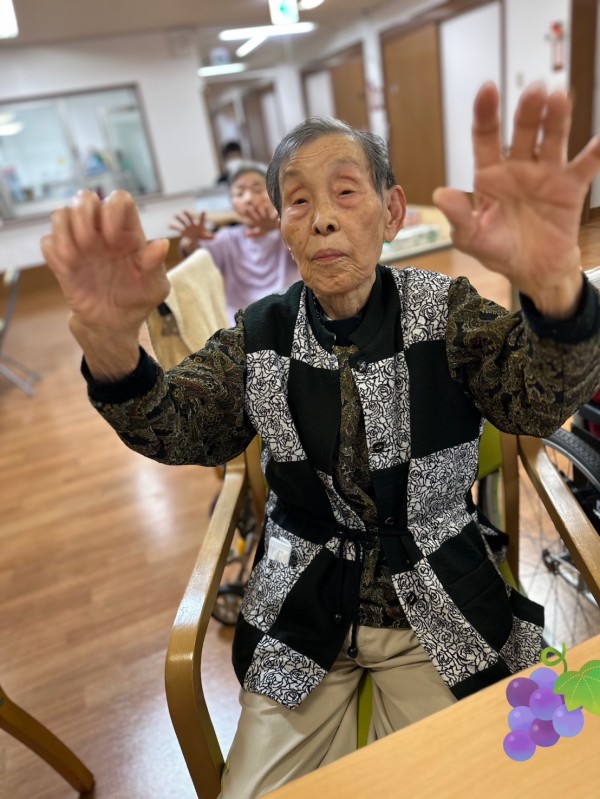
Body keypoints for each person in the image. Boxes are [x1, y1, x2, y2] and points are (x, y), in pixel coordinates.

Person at [41, 81, 600, 798]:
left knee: (478, 779)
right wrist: (114, 351)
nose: (324, 218)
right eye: (299, 201)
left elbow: (536, 398)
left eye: (346, 192)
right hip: (300, 605)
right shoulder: (261, 334)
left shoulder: (446, 311)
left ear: (391, 212)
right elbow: (182, 425)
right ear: (281, 225)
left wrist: (556, 294)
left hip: (438, 594)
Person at [170, 162, 298, 323]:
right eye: (240, 193)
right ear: (232, 204)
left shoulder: (290, 229)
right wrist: (190, 240)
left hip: (289, 315)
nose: (249, 199)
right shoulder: (227, 238)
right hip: (244, 323)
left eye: (257, 190)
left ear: (274, 196)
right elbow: (196, 258)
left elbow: (304, 252)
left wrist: (279, 228)